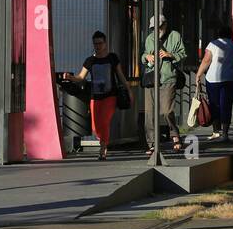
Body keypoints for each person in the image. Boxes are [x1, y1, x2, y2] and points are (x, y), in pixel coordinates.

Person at [63, 31, 130, 161]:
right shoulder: (90, 60)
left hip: (110, 95)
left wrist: (129, 90)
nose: (98, 46)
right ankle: (102, 140)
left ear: (105, 43)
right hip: (95, 97)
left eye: (100, 43)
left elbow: (120, 76)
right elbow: (81, 77)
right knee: (95, 126)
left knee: (104, 122)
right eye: (95, 44)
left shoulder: (112, 58)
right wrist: (71, 77)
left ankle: (103, 149)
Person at [143, 17, 187, 153]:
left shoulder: (175, 36)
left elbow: (183, 53)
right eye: (153, 28)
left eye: (159, 27)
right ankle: (152, 143)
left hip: (168, 78)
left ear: (165, 24)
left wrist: (171, 55)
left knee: (167, 111)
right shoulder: (150, 38)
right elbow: (144, 54)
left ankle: (174, 134)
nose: (156, 30)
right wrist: (146, 57)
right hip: (152, 78)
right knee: (149, 113)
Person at [196, 23, 233, 142]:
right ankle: (225, 133)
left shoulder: (213, 44)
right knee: (227, 105)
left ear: (218, 34)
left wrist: (199, 74)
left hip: (213, 79)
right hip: (230, 79)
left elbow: (206, 60)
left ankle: (216, 132)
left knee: (214, 104)